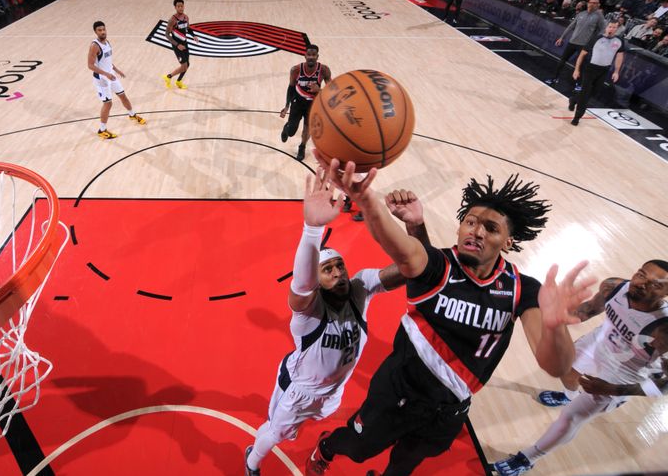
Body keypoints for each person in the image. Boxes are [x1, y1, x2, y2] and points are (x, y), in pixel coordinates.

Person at [305, 161, 596, 476]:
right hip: (397, 393)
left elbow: (556, 366)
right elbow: (400, 247)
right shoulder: (436, 265)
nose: (477, 231)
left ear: (508, 242)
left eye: (491, 228)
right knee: (359, 450)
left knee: (404, 465)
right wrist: (366, 200)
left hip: (449, 410)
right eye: (470, 222)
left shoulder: (522, 289)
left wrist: (555, 328)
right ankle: (327, 447)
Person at [245, 169, 430, 476]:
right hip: (299, 391)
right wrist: (312, 230)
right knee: (275, 433)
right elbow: (301, 286)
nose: (337, 272)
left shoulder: (360, 289)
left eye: (339, 266)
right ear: (316, 279)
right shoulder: (308, 311)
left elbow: (414, 266)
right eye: (327, 269)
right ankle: (253, 461)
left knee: (322, 418)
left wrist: (415, 226)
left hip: (333, 390)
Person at [493, 260, 668, 476]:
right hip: (598, 343)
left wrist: (615, 390)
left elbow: (665, 385)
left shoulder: (664, 329)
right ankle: (569, 394)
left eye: (655, 284)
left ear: (666, 294)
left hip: (622, 375)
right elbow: (588, 310)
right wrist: (554, 316)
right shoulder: (614, 286)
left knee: (571, 417)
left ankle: (528, 458)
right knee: (563, 370)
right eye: (641, 274)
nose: (642, 283)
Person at [87, 20, 146, 140]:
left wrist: (117, 70)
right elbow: (90, 65)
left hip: (111, 75)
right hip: (101, 79)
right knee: (108, 104)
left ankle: (132, 115)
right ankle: (102, 130)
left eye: (103, 29)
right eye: (99, 30)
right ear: (95, 32)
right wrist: (106, 74)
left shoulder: (107, 42)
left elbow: (107, 61)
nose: (102, 32)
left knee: (123, 96)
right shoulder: (94, 46)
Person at [279, 44, 332, 162]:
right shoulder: (296, 69)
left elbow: (332, 91)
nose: (311, 57)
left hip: (313, 104)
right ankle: (286, 128)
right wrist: (286, 106)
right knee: (292, 131)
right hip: (298, 102)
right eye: (309, 54)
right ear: (305, 56)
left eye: (314, 55)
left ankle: (302, 147)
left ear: (317, 56)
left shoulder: (324, 70)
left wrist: (320, 90)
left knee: (308, 128)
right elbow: (291, 88)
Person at [568, 21, 626, 126]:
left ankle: (574, 99)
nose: (611, 29)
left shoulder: (619, 41)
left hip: (604, 70)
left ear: (616, 29)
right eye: (610, 27)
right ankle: (577, 117)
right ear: (606, 27)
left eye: (614, 27)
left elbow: (619, 56)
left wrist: (617, 71)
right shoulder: (597, 38)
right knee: (585, 94)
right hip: (590, 68)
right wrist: (576, 69)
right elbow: (582, 54)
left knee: (594, 92)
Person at [545, 0, 605, 87]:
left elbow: (602, 30)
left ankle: (578, 84)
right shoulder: (581, 13)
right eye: (592, 2)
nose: (593, 4)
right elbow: (571, 26)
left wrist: (593, 42)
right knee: (562, 60)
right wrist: (562, 37)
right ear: (589, 3)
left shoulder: (599, 16)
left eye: (596, 3)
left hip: (584, 45)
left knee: (580, 65)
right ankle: (555, 78)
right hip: (572, 41)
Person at [162, 0, 199, 89]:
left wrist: (193, 36)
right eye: (178, 6)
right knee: (184, 66)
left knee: (187, 64)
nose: (180, 8)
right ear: (175, 7)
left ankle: (178, 82)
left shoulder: (186, 17)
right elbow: (167, 34)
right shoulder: (172, 19)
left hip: (184, 43)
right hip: (177, 46)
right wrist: (177, 45)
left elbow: (188, 28)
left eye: (182, 6)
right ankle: (168, 77)